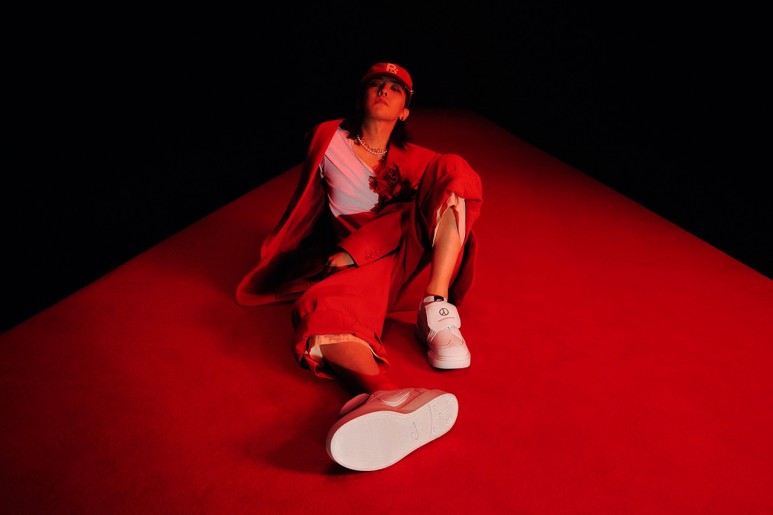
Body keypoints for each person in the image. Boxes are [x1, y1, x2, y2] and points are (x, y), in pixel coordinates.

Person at [236, 62, 483, 471]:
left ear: (405, 111)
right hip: (363, 268)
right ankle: (387, 395)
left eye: (395, 89)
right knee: (319, 309)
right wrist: (318, 252)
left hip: (409, 259)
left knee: (454, 169)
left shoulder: (419, 159)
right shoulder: (327, 138)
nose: (384, 91)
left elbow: (434, 204)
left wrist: (358, 247)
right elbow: (309, 205)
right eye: (376, 84)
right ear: (359, 97)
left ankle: (436, 308)